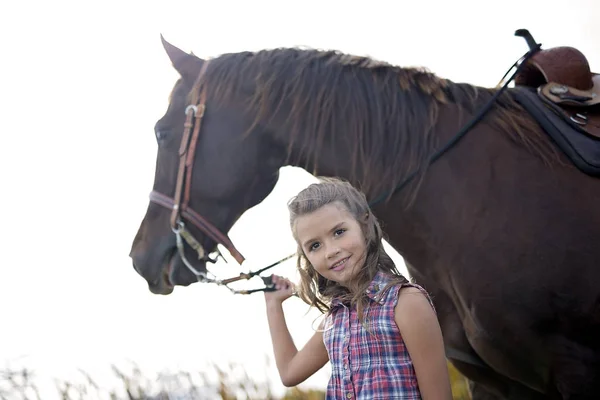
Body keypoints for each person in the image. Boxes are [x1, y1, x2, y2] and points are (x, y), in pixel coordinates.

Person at [264, 177, 452, 399]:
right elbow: (289, 373)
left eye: (339, 232)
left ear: (364, 224)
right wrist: (273, 304)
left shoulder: (405, 303)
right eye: (315, 245)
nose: (331, 251)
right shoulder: (335, 319)